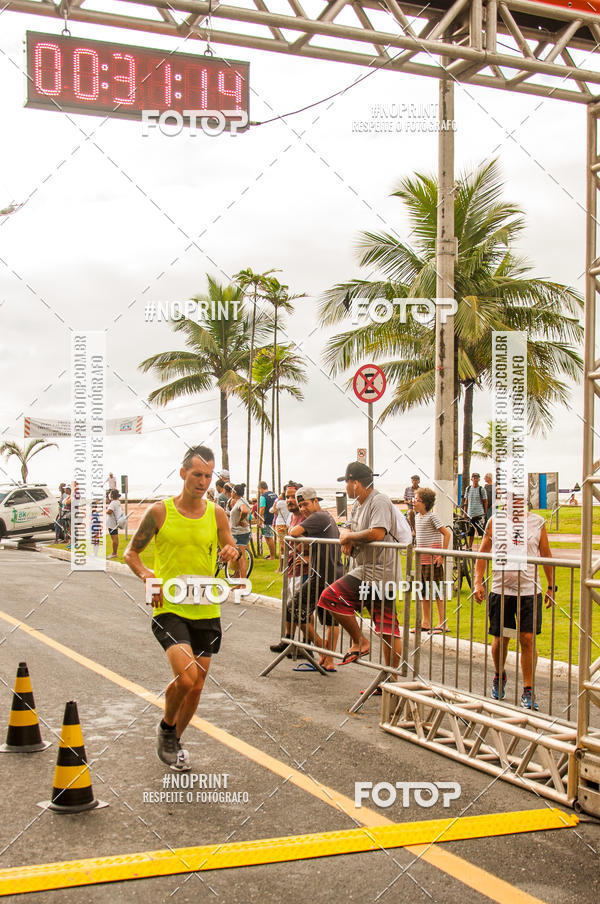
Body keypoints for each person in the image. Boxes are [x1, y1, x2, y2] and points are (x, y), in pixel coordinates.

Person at [123, 445, 240, 770]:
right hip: (169, 607)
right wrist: (147, 576)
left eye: (208, 476)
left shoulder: (216, 514)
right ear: (182, 473)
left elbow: (232, 551)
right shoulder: (160, 512)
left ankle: (173, 740)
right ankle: (166, 727)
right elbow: (131, 553)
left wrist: (233, 553)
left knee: (197, 686)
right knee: (187, 678)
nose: (202, 481)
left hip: (206, 608)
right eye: (197, 474)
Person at [318, 462, 404, 680]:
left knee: (331, 597)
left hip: (380, 572)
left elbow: (377, 533)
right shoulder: (358, 504)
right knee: (386, 627)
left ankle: (362, 644)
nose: (345, 487)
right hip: (366, 570)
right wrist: (347, 536)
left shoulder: (379, 500)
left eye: (346, 482)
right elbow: (347, 527)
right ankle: (389, 681)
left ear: (355, 483)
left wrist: (349, 537)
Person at [473, 499, 556, 710]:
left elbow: (546, 554)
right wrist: (478, 582)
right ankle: (499, 675)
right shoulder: (495, 521)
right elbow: (482, 553)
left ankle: (528, 688)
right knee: (502, 638)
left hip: (529, 591)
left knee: (527, 638)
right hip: (501, 591)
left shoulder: (537, 522)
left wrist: (551, 586)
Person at [270, 487, 341, 670]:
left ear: (316, 501)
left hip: (322, 575)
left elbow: (293, 532)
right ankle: (329, 660)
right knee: (329, 619)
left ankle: (322, 648)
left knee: (293, 609)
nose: (302, 509)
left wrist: (303, 541)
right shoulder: (326, 517)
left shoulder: (318, 517)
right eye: (300, 505)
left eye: (305, 504)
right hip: (332, 573)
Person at [413, 487, 452, 633]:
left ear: (425, 503)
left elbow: (447, 534)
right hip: (421, 562)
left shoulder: (432, 517)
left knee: (437, 592)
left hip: (433, 561)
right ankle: (426, 622)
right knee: (423, 592)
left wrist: (441, 555)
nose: (414, 502)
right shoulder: (417, 517)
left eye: (417, 500)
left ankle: (443, 623)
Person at [229, 483, 251, 580]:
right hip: (239, 532)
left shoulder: (240, 502)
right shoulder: (242, 501)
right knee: (239, 558)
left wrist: (240, 521)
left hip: (239, 533)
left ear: (234, 492)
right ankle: (239, 579)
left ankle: (243, 583)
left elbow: (244, 511)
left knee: (241, 559)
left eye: (232, 491)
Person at [462, 472, 487, 548]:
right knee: (470, 533)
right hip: (470, 514)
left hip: (479, 514)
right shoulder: (468, 489)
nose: (475, 479)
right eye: (474, 478)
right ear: (471, 479)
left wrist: (485, 512)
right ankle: (469, 547)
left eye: (477, 478)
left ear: (479, 479)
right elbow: (466, 501)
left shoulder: (481, 489)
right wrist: (465, 513)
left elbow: (485, 501)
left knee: (482, 533)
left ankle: (483, 548)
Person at [258, 481, 278, 560]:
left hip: (267, 518)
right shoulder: (274, 494)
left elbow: (262, 508)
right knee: (271, 536)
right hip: (275, 518)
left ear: (260, 488)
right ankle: (272, 553)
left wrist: (260, 518)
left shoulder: (263, 496)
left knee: (268, 537)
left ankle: (272, 556)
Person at [273, 490, 291, 573]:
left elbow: (273, 511)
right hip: (288, 524)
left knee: (283, 546)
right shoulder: (288, 503)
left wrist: (276, 500)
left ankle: (281, 567)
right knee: (286, 545)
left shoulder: (280, 503)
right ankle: (283, 567)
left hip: (280, 524)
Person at [106, 489, 124, 559]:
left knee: (114, 539)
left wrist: (106, 511)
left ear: (112, 495)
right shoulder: (117, 502)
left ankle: (114, 553)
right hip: (116, 522)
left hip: (112, 523)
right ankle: (114, 553)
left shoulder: (113, 503)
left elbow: (109, 511)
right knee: (115, 538)